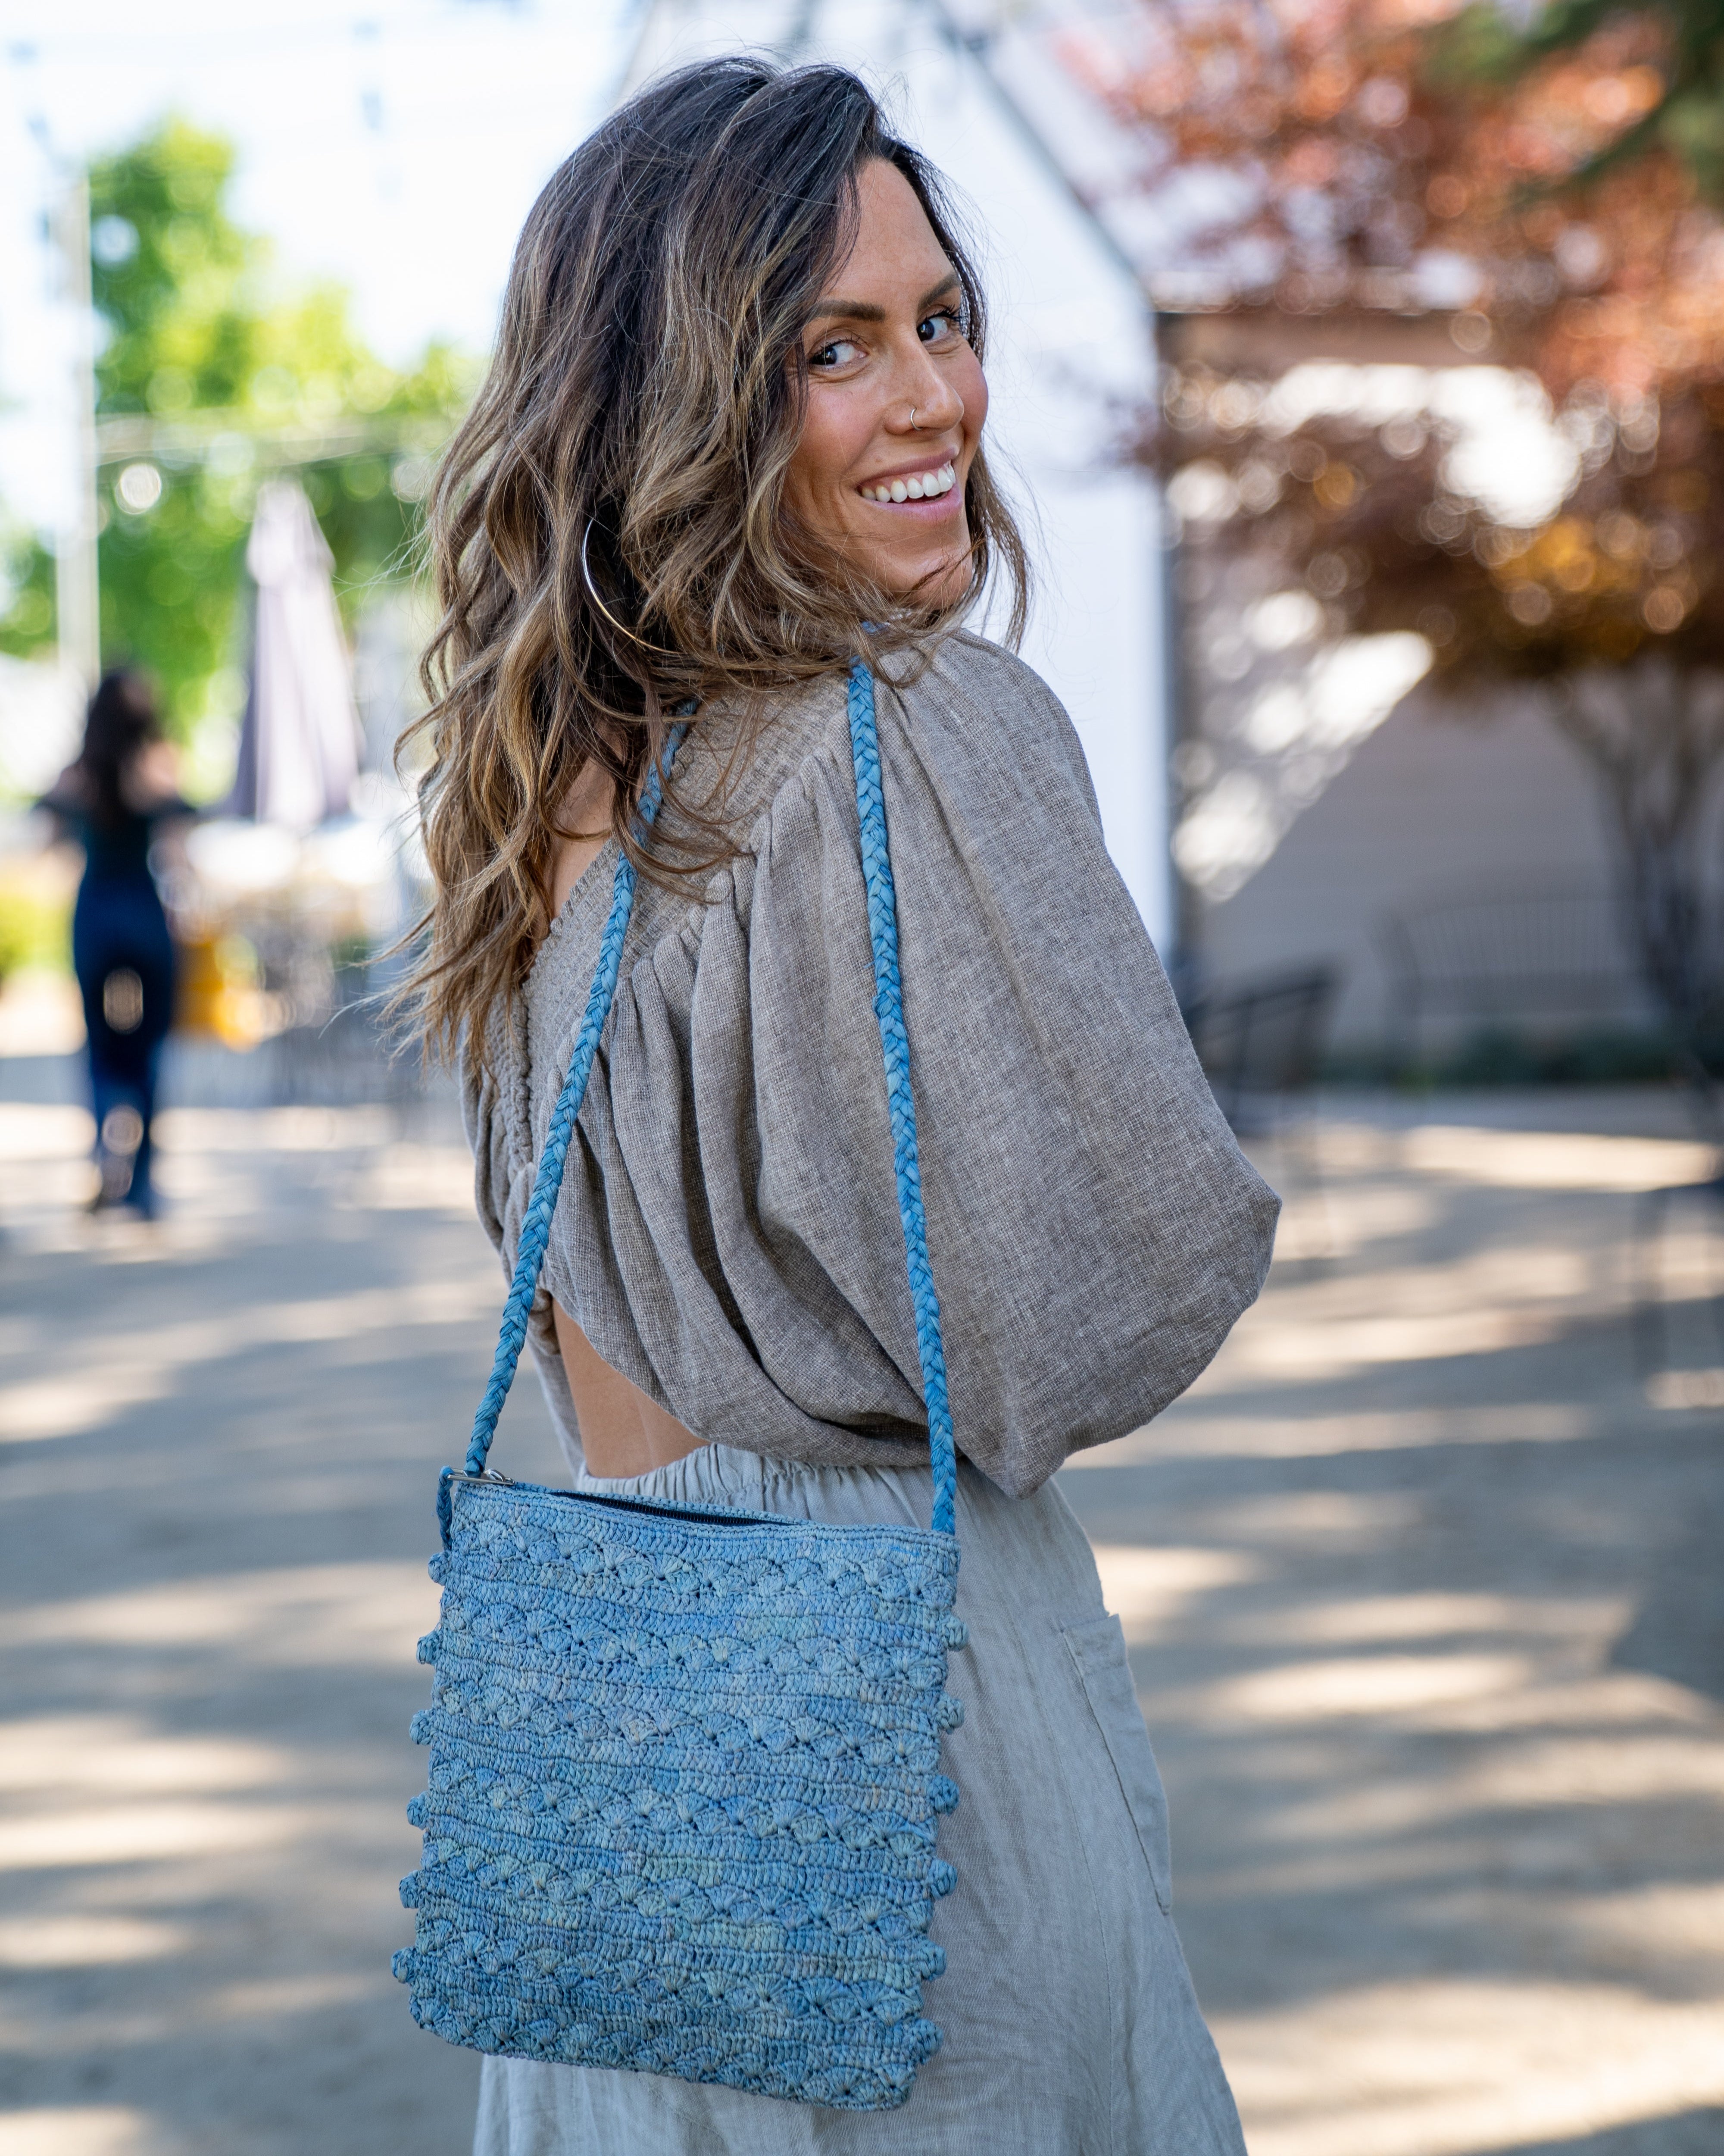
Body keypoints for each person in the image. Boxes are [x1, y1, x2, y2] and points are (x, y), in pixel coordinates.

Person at [403, 58, 1279, 2155]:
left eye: (938, 320)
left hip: (607, 1698)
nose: (932, 403)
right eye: (831, 347)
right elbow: (1091, 1324)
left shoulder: (546, 796)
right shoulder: (912, 747)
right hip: (893, 1711)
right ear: (691, 399)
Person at [39, 670, 191, 1219]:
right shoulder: (155, 766)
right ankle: (144, 1182)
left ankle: (106, 1150)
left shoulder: (78, 773)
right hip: (146, 916)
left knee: (100, 1045)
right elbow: (178, 852)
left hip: (95, 914)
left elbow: (50, 840)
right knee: (149, 1046)